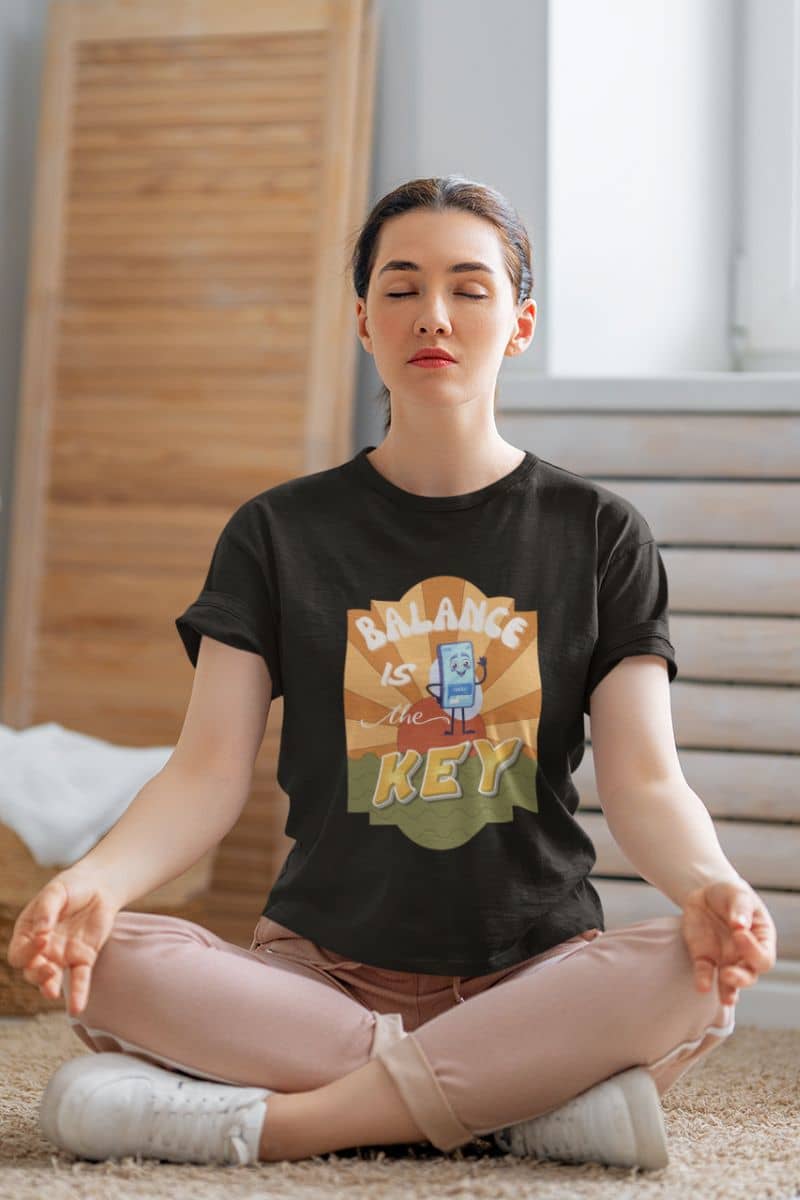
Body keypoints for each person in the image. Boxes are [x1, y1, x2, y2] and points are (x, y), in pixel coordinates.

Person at [8, 176, 777, 1172]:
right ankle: (517, 1103)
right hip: (313, 979)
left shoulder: (598, 533)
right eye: (401, 287)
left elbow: (642, 784)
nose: (433, 316)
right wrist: (95, 881)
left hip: (531, 969)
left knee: (690, 965)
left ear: (519, 322)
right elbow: (204, 776)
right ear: (361, 318)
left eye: (469, 287)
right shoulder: (275, 533)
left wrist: (713, 885)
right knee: (108, 955)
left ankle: (286, 1125)